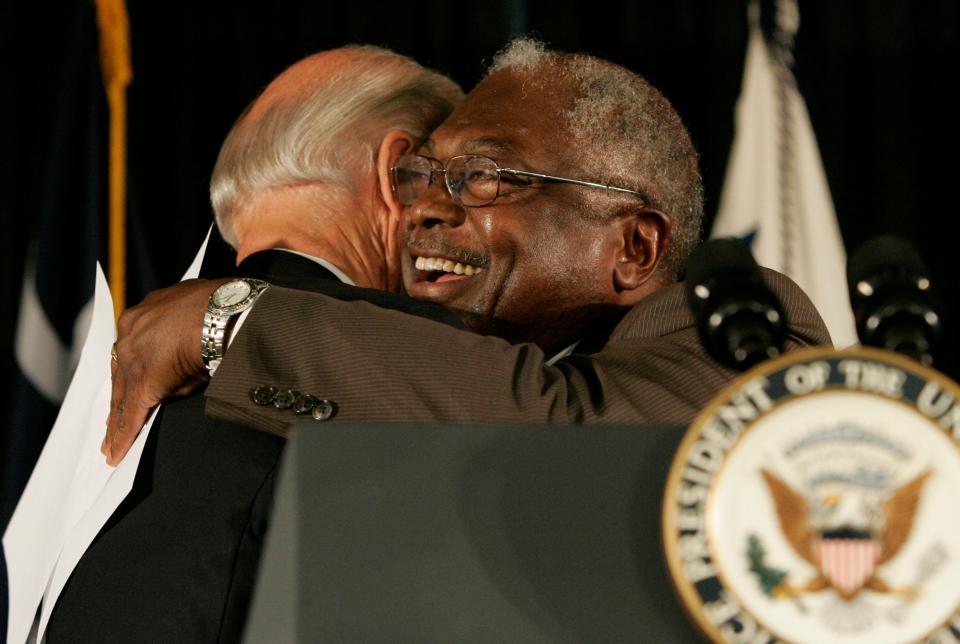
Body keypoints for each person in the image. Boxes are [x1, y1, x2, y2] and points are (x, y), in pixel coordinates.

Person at [104, 38, 830, 460]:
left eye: (482, 176)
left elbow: (565, 440)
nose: (422, 208)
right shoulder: (444, 387)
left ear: (634, 248)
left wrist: (236, 321)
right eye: (420, 175)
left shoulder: (745, 332)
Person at [43, 46, 463, 642]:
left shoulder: (116, 380)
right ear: (396, 173)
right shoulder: (403, 354)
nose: (458, 215)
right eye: (451, 179)